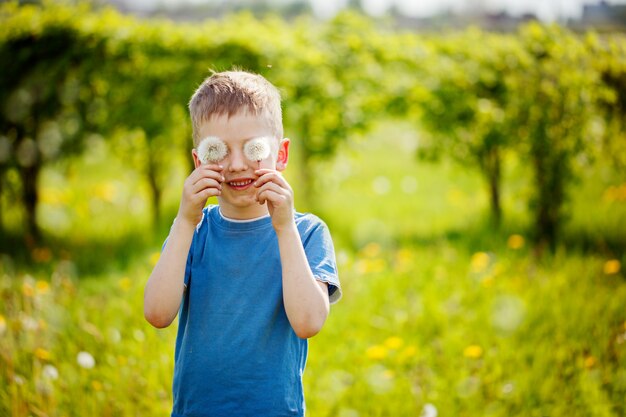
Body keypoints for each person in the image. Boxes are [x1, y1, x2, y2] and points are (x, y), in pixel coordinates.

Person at [144, 70, 342, 417]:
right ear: (198, 161)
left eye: (253, 148)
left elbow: (309, 322)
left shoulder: (306, 232)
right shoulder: (193, 232)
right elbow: (158, 314)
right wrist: (185, 220)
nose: (236, 165)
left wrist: (283, 228)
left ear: (280, 154)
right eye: (218, 150)